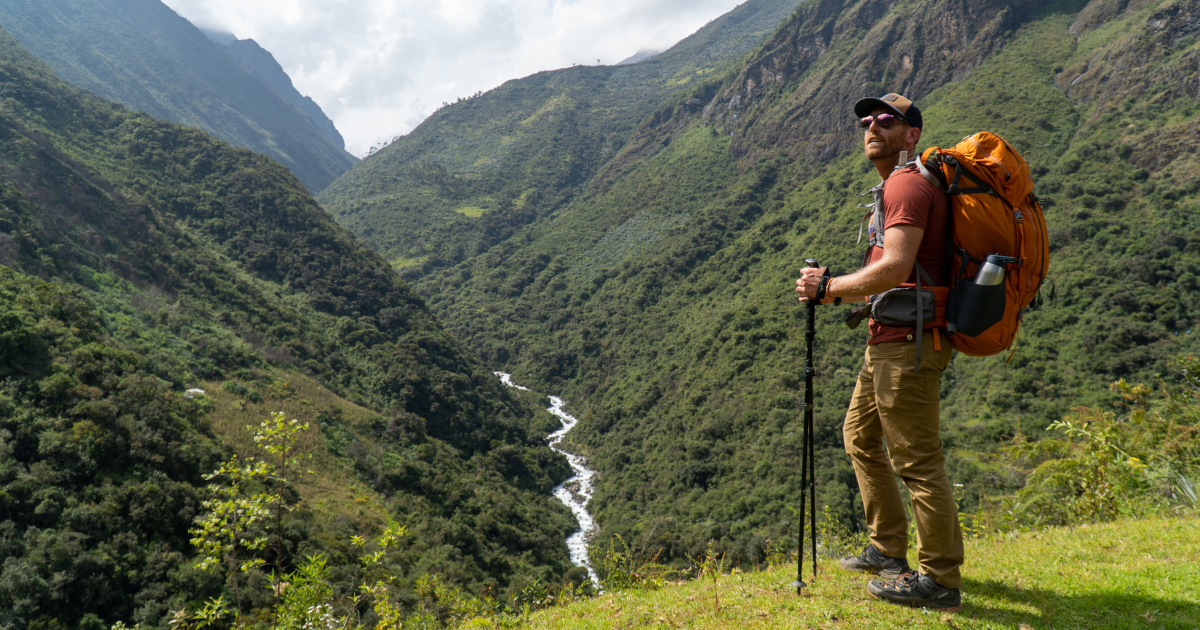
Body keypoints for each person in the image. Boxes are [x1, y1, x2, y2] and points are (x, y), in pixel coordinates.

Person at [794, 93, 963, 612]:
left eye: (887, 120)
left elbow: (895, 266)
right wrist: (839, 291)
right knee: (860, 436)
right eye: (867, 121)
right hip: (889, 339)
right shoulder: (894, 184)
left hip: (909, 345)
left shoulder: (907, 184)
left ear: (911, 134)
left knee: (917, 460)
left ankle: (939, 580)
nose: (873, 127)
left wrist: (829, 288)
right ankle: (887, 549)